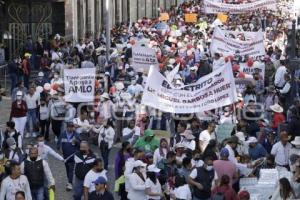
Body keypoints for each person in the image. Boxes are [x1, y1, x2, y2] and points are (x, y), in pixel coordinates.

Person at [57, 121, 80, 191]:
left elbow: (80, 145)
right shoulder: (62, 134)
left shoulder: (76, 135)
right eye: (69, 127)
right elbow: (58, 144)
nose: (70, 128)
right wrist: (59, 148)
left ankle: (70, 183)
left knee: (71, 169)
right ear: (67, 127)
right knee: (67, 169)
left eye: (72, 127)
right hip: (65, 156)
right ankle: (69, 180)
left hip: (73, 156)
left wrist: (77, 142)